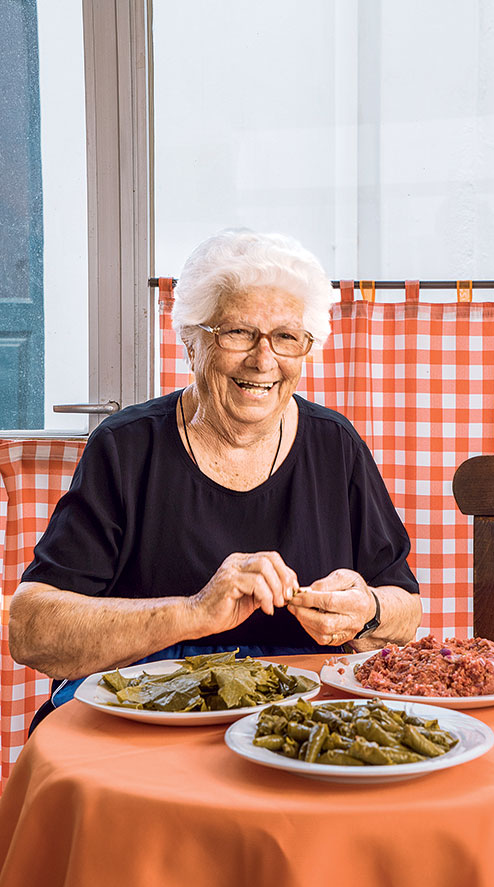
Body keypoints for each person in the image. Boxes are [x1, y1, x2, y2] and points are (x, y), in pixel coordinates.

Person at [9, 230, 422, 724]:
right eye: (238, 332)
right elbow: (32, 630)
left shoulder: (335, 444)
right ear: (190, 339)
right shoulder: (126, 447)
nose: (263, 360)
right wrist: (195, 611)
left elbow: (406, 609)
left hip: (300, 725)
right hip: (144, 720)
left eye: (286, 337)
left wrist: (368, 610)